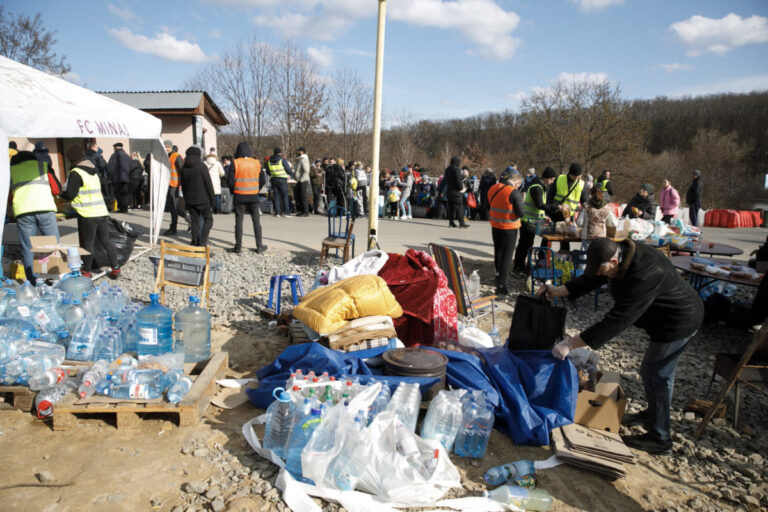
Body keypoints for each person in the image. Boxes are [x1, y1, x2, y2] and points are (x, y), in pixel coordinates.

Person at [541, 237, 704, 454]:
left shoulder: (645, 273)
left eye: (602, 269)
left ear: (614, 262)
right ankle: (654, 413)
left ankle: (660, 437)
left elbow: (617, 320)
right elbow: (594, 277)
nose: (600, 274)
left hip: (679, 320)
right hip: (663, 319)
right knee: (653, 372)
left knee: (657, 374)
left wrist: (570, 343)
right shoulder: (620, 255)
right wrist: (560, 290)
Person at [59, 144, 120, 279]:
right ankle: (116, 268)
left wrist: (60, 195)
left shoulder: (76, 173)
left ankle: (86, 271)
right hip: (101, 212)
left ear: (71, 159)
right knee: (106, 241)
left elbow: (70, 194)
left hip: (87, 214)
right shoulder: (93, 171)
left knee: (88, 244)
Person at [9, 150, 62, 284]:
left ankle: (33, 282)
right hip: (45, 209)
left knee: (28, 247)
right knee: (52, 245)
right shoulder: (44, 166)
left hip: (23, 212)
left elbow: (9, 196)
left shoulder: (11, 171)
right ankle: (53, 279)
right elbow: (56, 189)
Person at [513, 167, 559, 273]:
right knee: (524, 244)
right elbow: (539, 205)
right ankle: (518, 266)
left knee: (528, 243)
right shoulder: (536, 187)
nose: (552, 182)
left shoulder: (541, 187)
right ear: (545, 178)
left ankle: (522, 265)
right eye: (551, 179)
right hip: (527, 221)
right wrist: (555, 208)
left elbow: (539, 208)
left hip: (532, 221)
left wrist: (544, 216)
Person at [488, 170, 525, 296]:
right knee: (506, 257)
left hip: (495, 225)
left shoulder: (493, 188)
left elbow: (489, 205)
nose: (518, 187)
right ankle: (502, 285)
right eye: (518, 185)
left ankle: (498, 276)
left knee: (498, 252)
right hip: (510, 228)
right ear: (515, 182)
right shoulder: (514, 193)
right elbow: (521, 213)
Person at [226, 142, 267, 254]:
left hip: (239, 196)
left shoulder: (235, 163)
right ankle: (259, 246)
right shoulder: (256, 163)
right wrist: (256, 190)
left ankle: (238, 247)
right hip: (253, 197)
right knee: (256, 222)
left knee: (239, 221)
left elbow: (229, 180)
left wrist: (234, 191)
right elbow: (263, 180)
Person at [180, 146, 215, 247]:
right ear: (199, 155)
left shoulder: (184, 168)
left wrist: (186, 201)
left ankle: (194, 241)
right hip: (204, 200)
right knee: (208, 220)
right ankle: (203, 242)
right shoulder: (201, 166)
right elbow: (209, 184)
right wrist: (213, 201)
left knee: (194, 222)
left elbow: (183, 186)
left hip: (190, 201)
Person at [548, 163, 586, 252]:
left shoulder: (581, 184)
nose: (576, 178)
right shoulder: (560, 178)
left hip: (569, 216)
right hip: (556, 212)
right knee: (548, 237)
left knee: (566, 239)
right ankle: (543, 258)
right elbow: (550, 195)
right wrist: (552, 207)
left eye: (578, 176)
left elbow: (584, 201)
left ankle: (564, 259)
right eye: (574, 176)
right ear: (570, 173)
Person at [163, 140, 185, 235]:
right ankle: (188, 221)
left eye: (168, 146)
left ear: (171, 147)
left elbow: (182, 171)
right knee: (172, 207)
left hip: (175, 185)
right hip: (169, 184)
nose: (166, 148)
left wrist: (182, 184)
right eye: (165, 146)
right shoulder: (166, 156)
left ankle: (173, 228)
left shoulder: (176, 156)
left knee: (174, 207)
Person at [266, 148, 292, 217]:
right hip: (282, 179)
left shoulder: (269, 161)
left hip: (274, 179)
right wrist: (290, 173)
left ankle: (277, 212)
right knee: (285, 196)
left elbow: (267, 171)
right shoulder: (282, 160)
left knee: (276, 196)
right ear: (280, 153)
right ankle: (286, 212)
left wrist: (273, 174)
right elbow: (288, 170)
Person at [106, 142, 132, 213]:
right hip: (126, 178)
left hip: (117, 178)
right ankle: (125, 208)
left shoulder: (114, 155)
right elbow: (131, 166)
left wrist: (111, 176)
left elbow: (110, 167)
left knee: (118, 194)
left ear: (116, 147)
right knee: (125, 194)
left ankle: (121, 208)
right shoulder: (127, 155)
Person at [444, 157, 468, 228]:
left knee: (451, 208)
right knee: (459, 207)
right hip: (456, 191)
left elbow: (446, 180)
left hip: (449, 190)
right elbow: (458, 180)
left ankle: (451, 222)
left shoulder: (447, 169)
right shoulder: (456, 169)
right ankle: (461, 223)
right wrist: (461, 188)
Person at [204, 148, 225, 214]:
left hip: (207, 181)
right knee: (217, 196)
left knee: (208, 196)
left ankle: (210, 208)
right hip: (216, 182)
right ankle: (217, 209)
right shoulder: (218, 163)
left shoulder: (204, 163)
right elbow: (222, 173)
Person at [294, 147, 311, 216]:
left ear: (302, 152)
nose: (298, 152)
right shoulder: (300, 159)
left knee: (303, 196)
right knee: (300, 195)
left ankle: (305, 212)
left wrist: (301, 179)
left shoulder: (303, 159)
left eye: (299, 151)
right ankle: (302, 210)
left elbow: (306, 170)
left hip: (303, 180)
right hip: (300, 179)